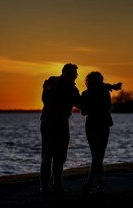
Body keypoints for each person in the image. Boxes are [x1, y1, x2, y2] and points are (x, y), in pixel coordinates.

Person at [39, 63, 81, 194]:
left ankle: (57, 185)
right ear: (66, 73)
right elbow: (45, 99)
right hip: (49, 123)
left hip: (63, 124)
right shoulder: (52, 82)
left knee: (61, 155)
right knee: (47, 155)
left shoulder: (73, 90)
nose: (76, 76)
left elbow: (81, 103)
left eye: (76, 74)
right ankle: (44, 187)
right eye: (74, 74)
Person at [80, 71, 122, 194]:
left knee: (95, 155)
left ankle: (98, 183)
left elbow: (83, 112)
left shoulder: (85, 94)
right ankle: (92, 182)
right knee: (98, 156)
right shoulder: (104, 92)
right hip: (103, 123)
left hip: (91, 124)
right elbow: (108, 107)